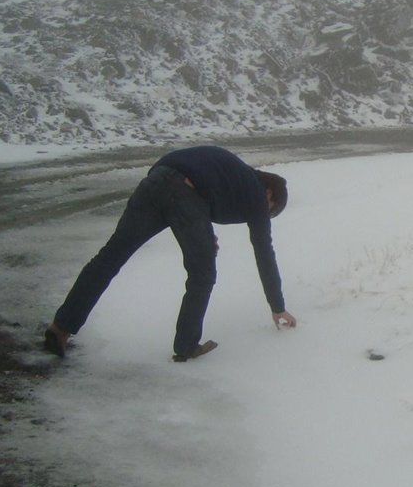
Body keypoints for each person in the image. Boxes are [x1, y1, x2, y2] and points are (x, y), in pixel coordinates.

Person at [43, 145, 297, 361]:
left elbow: (204, 195)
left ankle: (61, 327)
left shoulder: (235, 176)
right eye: (270, 210)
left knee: (110, 257)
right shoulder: (254, 191)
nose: (265, 215)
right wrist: (278, 306)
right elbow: (264, 251)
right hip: (184, 192)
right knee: (202, 274)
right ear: (268, 193)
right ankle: (186, 346)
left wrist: (204, 235)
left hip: (156, 180)